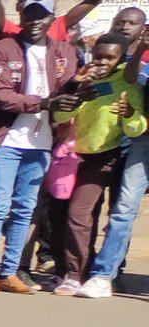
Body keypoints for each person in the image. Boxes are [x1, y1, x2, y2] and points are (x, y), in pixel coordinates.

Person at [0, 0, 78, 295]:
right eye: (29, 14)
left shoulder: (64, 51)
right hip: (7, 139)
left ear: (51, 20)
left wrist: (82, 88)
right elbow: (0, 94)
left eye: (41, 15)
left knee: (25, 210)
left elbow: (68, 88)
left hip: (43, 142)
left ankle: (8, 272)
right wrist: (44, 103)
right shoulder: (5, 48)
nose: (34, 21)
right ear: (20, 16)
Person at [53, 33, 146, 296]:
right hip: (75, 156)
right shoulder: (83, 80)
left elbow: (137, 127)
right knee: (75, 217)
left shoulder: (127, 83)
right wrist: (76, 92)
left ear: (120, 60)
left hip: (111, 155)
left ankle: (90, 273)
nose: (102, 62)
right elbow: (60, 115)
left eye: (110, 58)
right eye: (98, 56)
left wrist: (129, 114)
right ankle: (75, 271)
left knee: (90, 214)